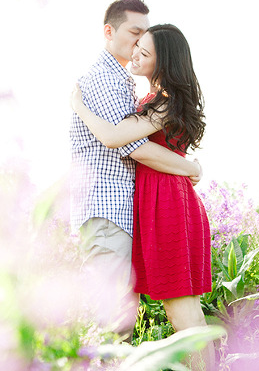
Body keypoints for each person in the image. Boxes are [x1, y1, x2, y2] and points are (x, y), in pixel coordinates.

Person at [71, 23, 214, 370]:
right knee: (182, 312)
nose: (135, 54)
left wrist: (80, 105)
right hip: (162, 200)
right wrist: (190, 166)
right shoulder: (155, 101)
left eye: (145, 53)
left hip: (166, 203)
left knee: (184, 315)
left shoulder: (164, 103)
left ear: (163, 65)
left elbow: (114, 137)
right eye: (138, 46)